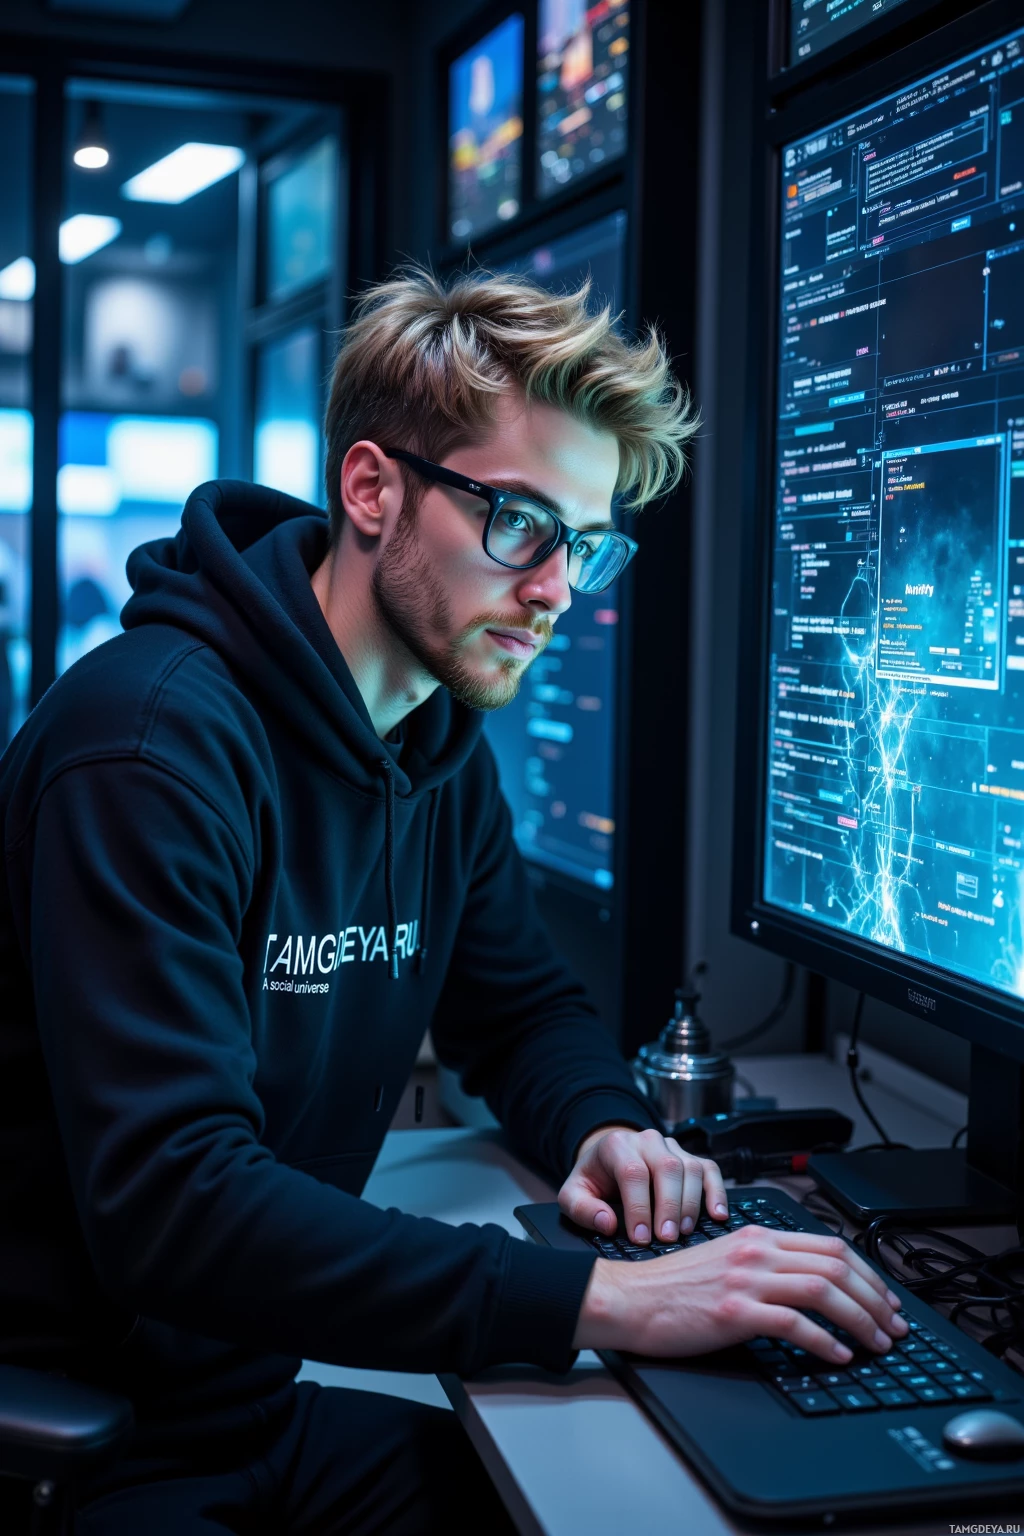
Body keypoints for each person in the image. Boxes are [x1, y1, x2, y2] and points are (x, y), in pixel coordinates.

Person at [0, 269, 907, 1533]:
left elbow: (521, 1008)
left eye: (585, 547)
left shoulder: (432, 744)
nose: (556, 592)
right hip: (84, 1449)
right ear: (372, 490)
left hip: (249, 1407)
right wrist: (601, 1300)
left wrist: (606, 1129)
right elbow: (176, 1203)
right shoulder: (146, 748)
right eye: (523, 524)